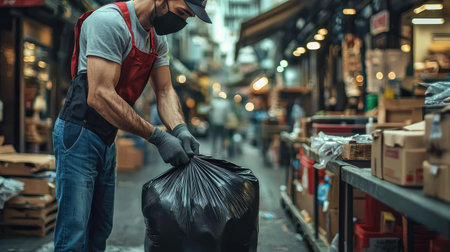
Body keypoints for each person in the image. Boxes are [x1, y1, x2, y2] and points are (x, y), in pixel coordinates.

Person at [52, 0, 211, 250]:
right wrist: (157, 137)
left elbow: (165, 90)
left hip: (106, 138)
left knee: (100, 229)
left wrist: (179, 128)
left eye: (189, 17)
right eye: (183, 13)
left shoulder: (156, 38)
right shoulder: (109, 23)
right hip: (79, 134)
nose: (183, 22)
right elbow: (100, 95)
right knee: (74, 233)